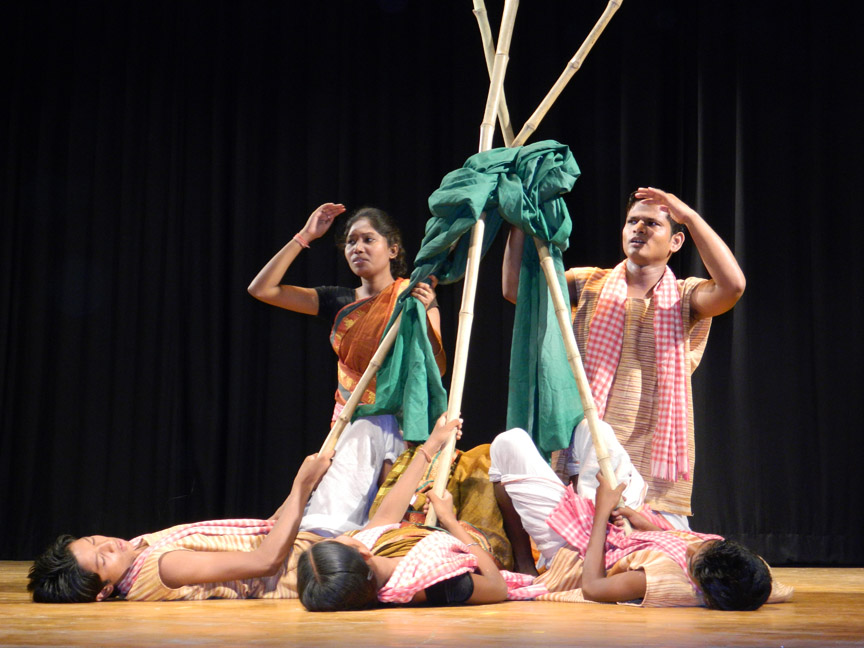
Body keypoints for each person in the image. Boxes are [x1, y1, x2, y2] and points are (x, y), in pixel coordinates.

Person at [502, 187, 747, 528]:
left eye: (651, 223)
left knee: (662, 561)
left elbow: (733, 286)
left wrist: (689, 217)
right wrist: (518, 223)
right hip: (590, 448)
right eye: (633, 221)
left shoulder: (684, 296)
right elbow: (516, 289)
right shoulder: (590, 282)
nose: (639, 229)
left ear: (676, 241)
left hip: (654, 453)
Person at [249, 203, 446, 533]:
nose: (358, 248)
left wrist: (421, 315)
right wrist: (305, 236)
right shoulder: (338, 300)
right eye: (351, 242)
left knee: (385, 513)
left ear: (392, 249)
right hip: (351, 420)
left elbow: (436, 369)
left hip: (402, 420)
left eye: (369, 239)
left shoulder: (413, 296)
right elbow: (261, 289)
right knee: (340, 499)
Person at [489, 428, 791, 609]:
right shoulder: (744, 573)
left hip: (577, 547)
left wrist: (601, 512)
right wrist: (642, 522)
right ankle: (583, 492)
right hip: (624, 525)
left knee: (509, 443)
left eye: (694, 556)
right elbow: (773, 587)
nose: (691, 546)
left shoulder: (658, 581)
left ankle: (527, 562)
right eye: (701, 545)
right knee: (594, 430)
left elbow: (593, 587)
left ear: (699, 581)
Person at [27, 450, 335, 603]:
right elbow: (265, 561)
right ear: (104, 590)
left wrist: (302, 493)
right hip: (314, 560)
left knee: (361, 432)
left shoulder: (137, 550)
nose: (107, 544)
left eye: (93, 540)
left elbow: (265, 530)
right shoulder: (163, 567)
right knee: (366, 431)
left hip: (306, 536)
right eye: (101, 559)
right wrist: (302, 485)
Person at [296, 414, 530, 611]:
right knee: (485, 461)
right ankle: (525, 560)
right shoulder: (433, 583)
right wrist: (450, 521)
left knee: (423, 472)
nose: (341, 536)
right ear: (362, 553)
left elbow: (386, 517)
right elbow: (496, 586)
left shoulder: (367, 565)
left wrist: (432, 444)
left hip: (431, 527)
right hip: (473, 543)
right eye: (337, 542)